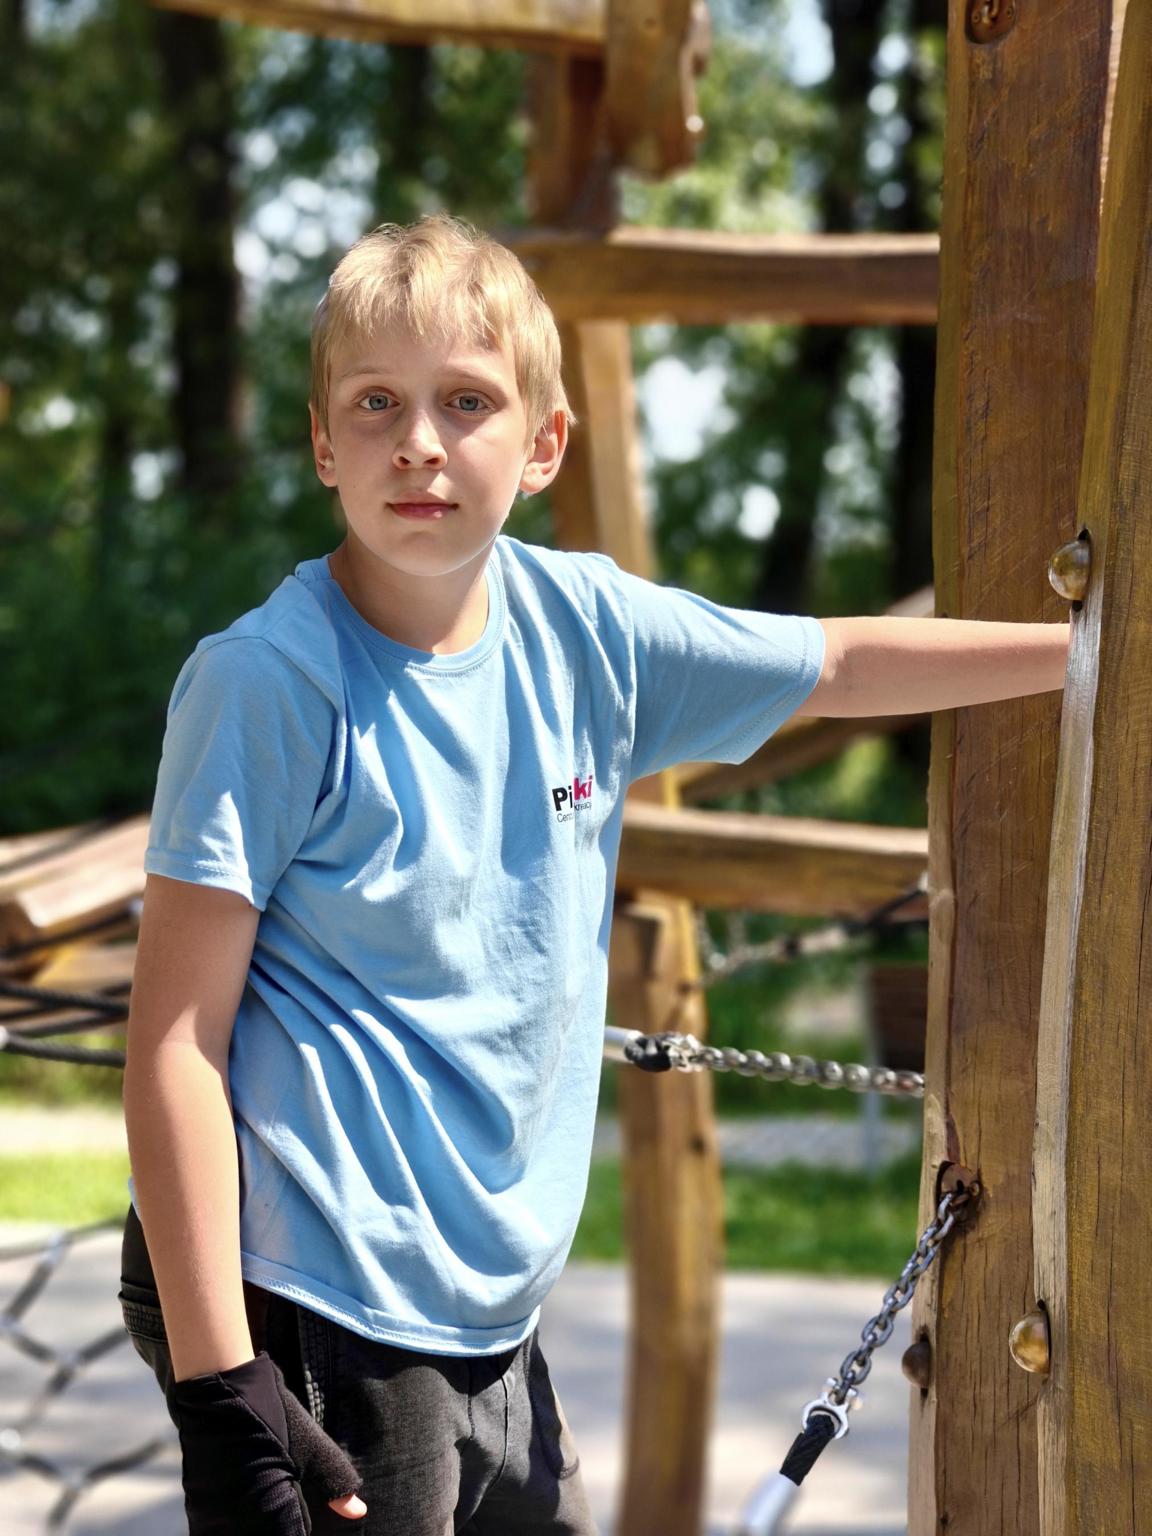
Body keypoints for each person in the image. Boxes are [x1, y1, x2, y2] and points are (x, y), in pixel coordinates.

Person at [120, 213, 1070, 1536]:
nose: (420, 442)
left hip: (495, 1306)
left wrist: (1093, 653)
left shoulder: (587, 630)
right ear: (324, 444)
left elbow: (840, 664)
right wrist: (223, 1389)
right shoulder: (268, 682)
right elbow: (174, 1043)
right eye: (377, 404)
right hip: (313, 1291)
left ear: (544, 444)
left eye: (467, 402)